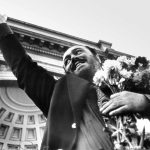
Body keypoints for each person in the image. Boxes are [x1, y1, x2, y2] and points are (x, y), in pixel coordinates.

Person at [0, 14, 150, 150]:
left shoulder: (131, 83)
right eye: (67, 61)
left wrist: (145, 101)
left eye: (78, 52)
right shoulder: (57, 95)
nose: (73, 59)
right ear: (66, 72)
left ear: (97, 59)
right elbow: (23, 67)